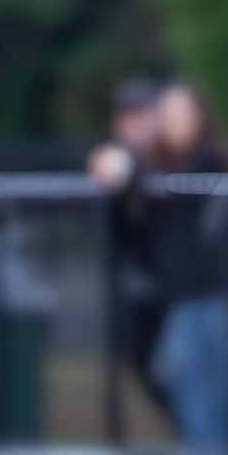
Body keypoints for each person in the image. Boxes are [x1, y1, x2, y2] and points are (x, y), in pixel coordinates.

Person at [148, 81, 228, 455]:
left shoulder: (207, 161)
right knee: (184, 373)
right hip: (183, 296)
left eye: (182, 113)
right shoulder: (164, 166)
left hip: (207, 294)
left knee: (203, 378)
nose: (174, 123)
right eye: (168, 114)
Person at [88, 78, 172, 416]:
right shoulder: (116, 162)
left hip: (182, 286)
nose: (133, 124)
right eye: (126, 115)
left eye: (140, 114)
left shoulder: (171, 155)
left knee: (181, 366)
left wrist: (129, 171)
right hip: (143, 286)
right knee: (141, 363)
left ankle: (201, 441)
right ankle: (189, 433)